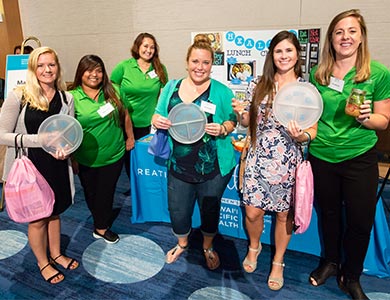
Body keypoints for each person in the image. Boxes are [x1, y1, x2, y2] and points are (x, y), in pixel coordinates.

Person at [307, 9, 390, 299]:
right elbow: (314, 117)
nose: (345, 37)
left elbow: (384, 121)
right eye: (339, 31)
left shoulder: (377, 73)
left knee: (360, 220)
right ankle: (330, 261)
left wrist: (365, 118)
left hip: (359, 156)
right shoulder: (320, 74)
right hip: (322, 155)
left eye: (352, 31)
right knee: (328, 214)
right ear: (331, 38)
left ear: (361, 36)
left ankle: (351, 275)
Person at [232, 30, 317, 291]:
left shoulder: (306, 90)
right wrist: (240, 115)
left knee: (283, 217)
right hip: (258, 158)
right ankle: (254, 247)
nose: (283, 56)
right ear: (272, 55)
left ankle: (278, 261)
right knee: (252, 211)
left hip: (288, 161)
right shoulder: (259, 83)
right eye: (278, 51)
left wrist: (300, 134)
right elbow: (246, 122)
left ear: (297, 54)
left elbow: (311, 132)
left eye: (288, 50)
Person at [151, 34, 236, 270]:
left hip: (212, 166)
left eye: (206, 62)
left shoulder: (221, 91)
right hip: (179, 165)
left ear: (212, 64)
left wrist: (222, 128)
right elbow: (157, 114)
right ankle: (182, 243)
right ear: (187, 62)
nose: (200, 67)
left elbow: (232, 122)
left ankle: (208, 246)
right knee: (178, 210)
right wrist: (158, 120)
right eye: (195, 62)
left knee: (210, 210)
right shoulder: (171, 87)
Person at [0, 46, 79, 284]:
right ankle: (43, 261)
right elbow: (2, 135)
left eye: (51, 65)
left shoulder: (67, 97)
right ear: (33, 69)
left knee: (55, 212)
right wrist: (38, 140)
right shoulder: (18, 96)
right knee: (38, 218)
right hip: (30, 166)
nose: (47, 70)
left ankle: (56, 253)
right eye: (41, 65)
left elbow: (69, 132)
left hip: (56, 164)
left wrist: (67, 150)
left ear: (58, 67)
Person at [68, 55, 134, 244]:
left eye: (98, 70)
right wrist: (72, 158)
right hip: (85, 157)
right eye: (89, 70)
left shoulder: (114, 91)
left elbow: (126, 115)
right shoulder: (71, 97)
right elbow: (67, 131)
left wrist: (130, 136)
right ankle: (100, 220)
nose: (94, 74)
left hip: (114, 154)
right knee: (90, 193)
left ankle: (101, 227)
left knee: (106, 192)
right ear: (81, 73)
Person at [111, 32, 168, 192]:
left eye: (152, 47)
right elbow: (111, 88)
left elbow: (164, 94)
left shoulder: (159, 68)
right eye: (145, 46)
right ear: (138, 47)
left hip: (150, 123)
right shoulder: (124, 66)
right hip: (125, 122)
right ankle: (134, 186)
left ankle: (146, 186)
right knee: (129, 159)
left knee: (147, 157)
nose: (148, 50)